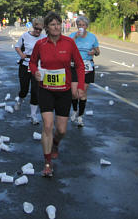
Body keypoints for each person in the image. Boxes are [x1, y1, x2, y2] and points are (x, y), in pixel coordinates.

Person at [30, 11, 85, 177]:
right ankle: (47, 163)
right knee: (47, 125)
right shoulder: (40, 45)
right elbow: (32, 63)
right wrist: (35, 72)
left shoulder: (69, 43)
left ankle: (55, 143)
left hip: (64, 92)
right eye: (53, 24)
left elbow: (80, 66)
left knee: (61, 130)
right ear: (47, 27)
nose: (56, 27)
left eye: (58, 24)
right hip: (46, 90)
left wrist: (80, 86)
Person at [69, 16, 100, 127]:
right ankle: (75, 110)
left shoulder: (92, 37)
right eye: (79, 25)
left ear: (86, 26)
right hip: (74, 66)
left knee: (82, 92)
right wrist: (75, 37)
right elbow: (67, 47)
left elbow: (98, 52)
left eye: (83, 25)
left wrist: (94, 52)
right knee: (74, 92)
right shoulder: (72, 36)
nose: (81, 27)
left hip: (87, 66)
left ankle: (80, 117)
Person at [15, 17, 46, 124]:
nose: (38, 31)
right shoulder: (25, 36)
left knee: (35, 90)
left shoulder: (44, 37)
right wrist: (21, 54)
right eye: (36, 28)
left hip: (37, 66)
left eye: (40, 29)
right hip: (25, 64)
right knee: (24, 88)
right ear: (33, 27)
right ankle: (20, 99)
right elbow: (17, 46)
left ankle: (33, 115)